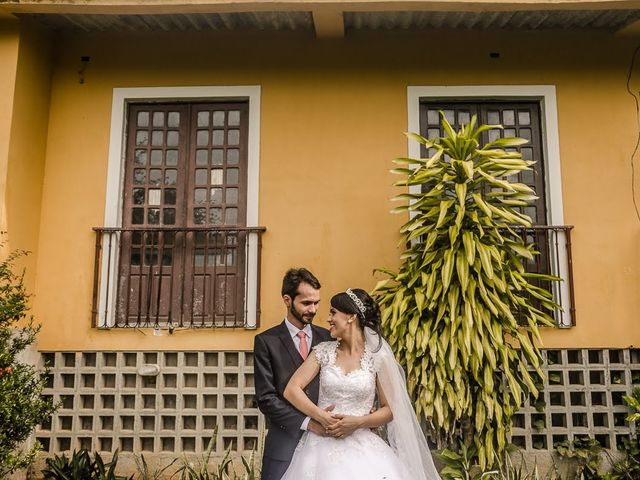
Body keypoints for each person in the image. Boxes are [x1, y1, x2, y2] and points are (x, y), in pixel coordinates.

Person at [281, 288, 441, 480]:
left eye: (333, 312)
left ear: (351, 317)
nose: (328, 318)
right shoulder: (323, 352)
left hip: (364, 447)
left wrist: (358, 422)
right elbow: (291, 390)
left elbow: (389, 409)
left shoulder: (378, 357)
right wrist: (321, 416)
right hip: (320, 448)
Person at [253, 268, 333, 480]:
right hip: (283, 446)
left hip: (326, 449)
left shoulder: (329, 339)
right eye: (306, 303)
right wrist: (308, 423)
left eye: (316, 303)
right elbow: (266, 399)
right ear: (287, 300)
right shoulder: (266, 342)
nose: (313, 309)